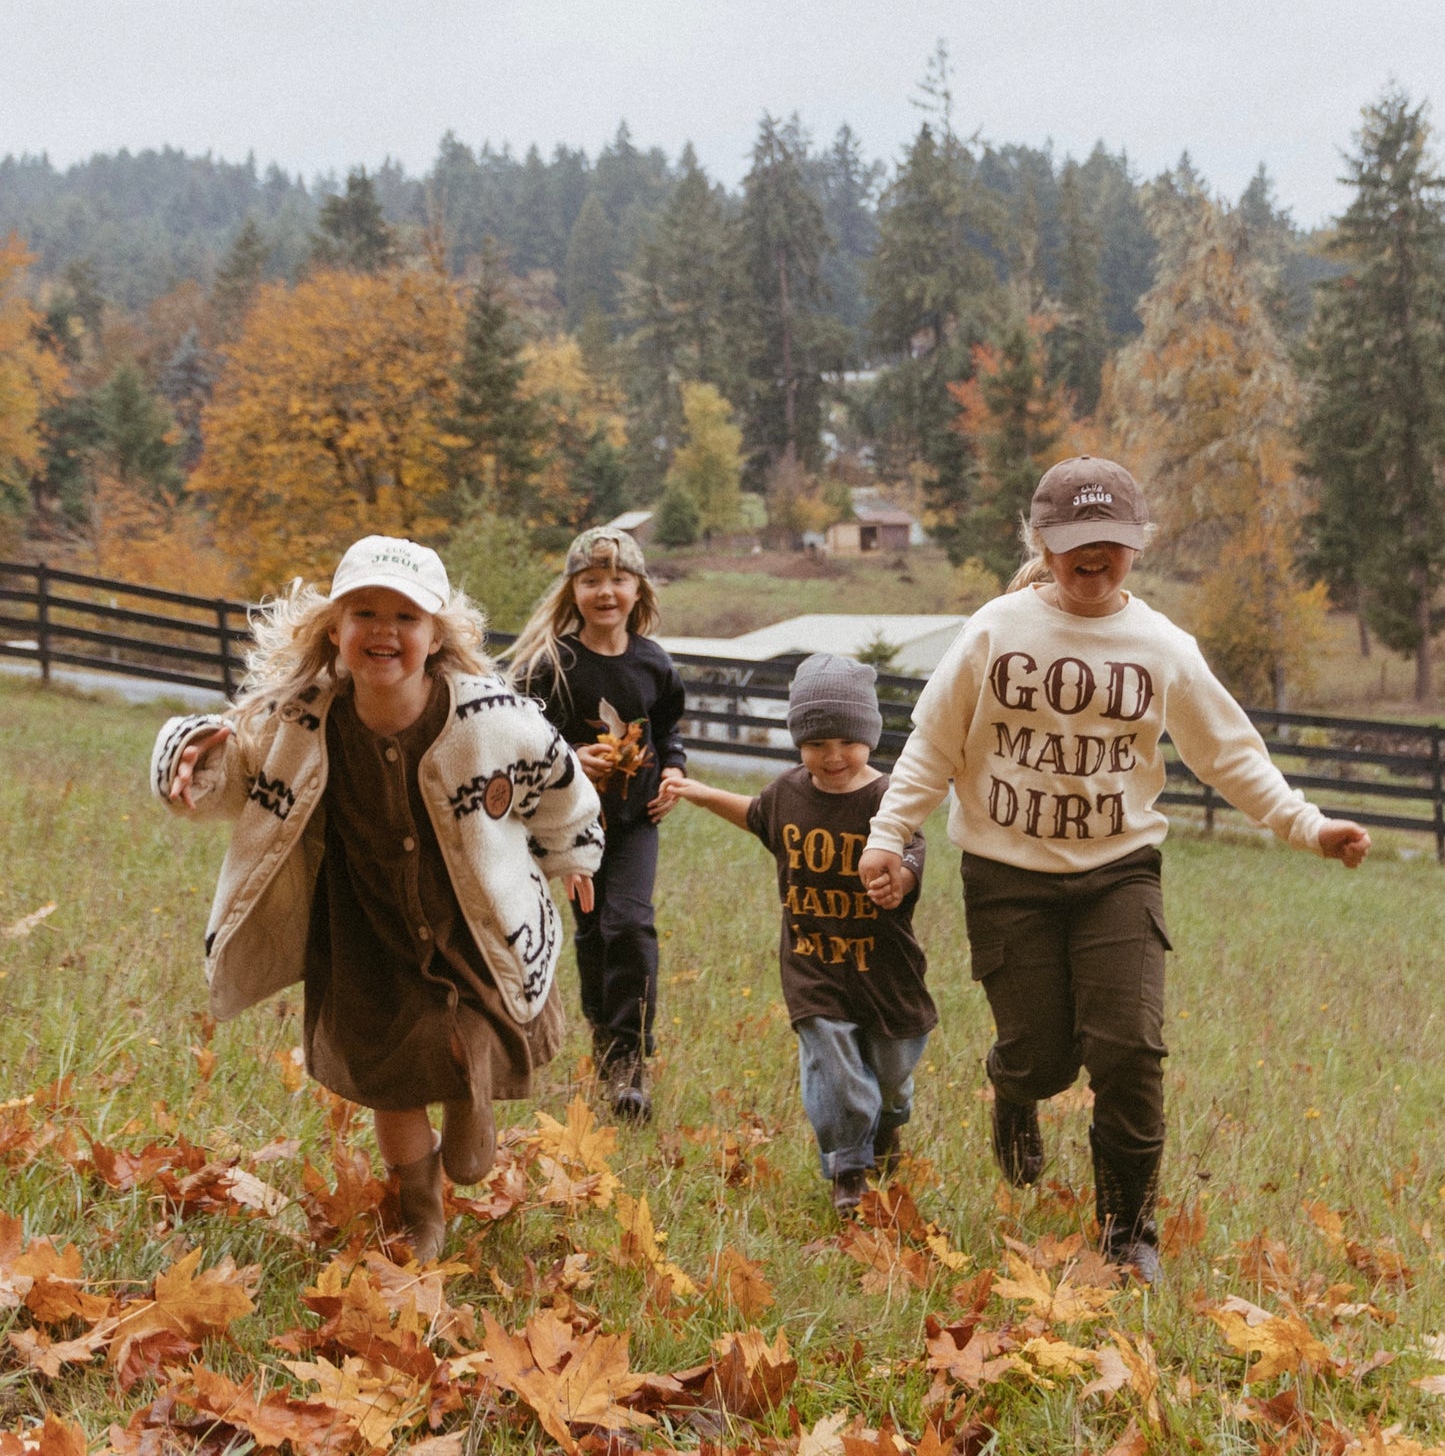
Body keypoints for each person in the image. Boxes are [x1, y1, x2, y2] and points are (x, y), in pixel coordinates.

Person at [862, 456, 1370, 1283]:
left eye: (1110, 541)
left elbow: (1228, 754)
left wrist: (1306, 825)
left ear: (1137, 543)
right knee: (1043, 1057)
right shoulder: (993, 630)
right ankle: (1013, 1086)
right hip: (1006, 876)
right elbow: (932, 745)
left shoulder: (1161, 646)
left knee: (1129, 1050)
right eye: (1073, 542)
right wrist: (889, 836)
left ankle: (1128, 1236)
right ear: (1041, 542)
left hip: (1117, 875)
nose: (1092, 557)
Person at [151, 535, 603, 1264]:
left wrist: (574, 853)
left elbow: (558, 778)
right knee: (389, 1080)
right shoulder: (296, 717)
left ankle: (468, 1104)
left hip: (467, 914)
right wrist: (191, 754)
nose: (384, 630)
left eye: (406, 616)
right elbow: (233, 775)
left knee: (466, 1037)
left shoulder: (490, 717)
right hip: (361, 927)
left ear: (436, 635)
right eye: (365, 612)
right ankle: (419, 1211)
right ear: (334, 627)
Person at [662, 653, 936, 1216]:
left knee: (890, 1075)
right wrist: (698, 791)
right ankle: (848, 1169)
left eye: (845, 741)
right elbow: (758, 817)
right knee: (833, 1064)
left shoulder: (889, 797)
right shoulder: (787, 792)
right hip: (814, 961)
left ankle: (887, 1124)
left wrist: (901, 878)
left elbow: (912, 847)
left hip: (884, 966)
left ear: (869, 734)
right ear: (797, 742)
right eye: (815, 744)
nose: (832, 757)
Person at [508, 526, 686, 1122]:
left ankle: (632, 1059)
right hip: (572, 826)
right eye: (591, 580)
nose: (605, 591)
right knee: (591, 934)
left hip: (635, 820)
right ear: (573, 590)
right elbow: (519, 738)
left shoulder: (654, 664)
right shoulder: (552, 665)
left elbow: (669, 733)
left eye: (618, 579)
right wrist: (568, 758)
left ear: (639, 590)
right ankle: (605, 1044)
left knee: (630, 926)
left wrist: (673, 774)